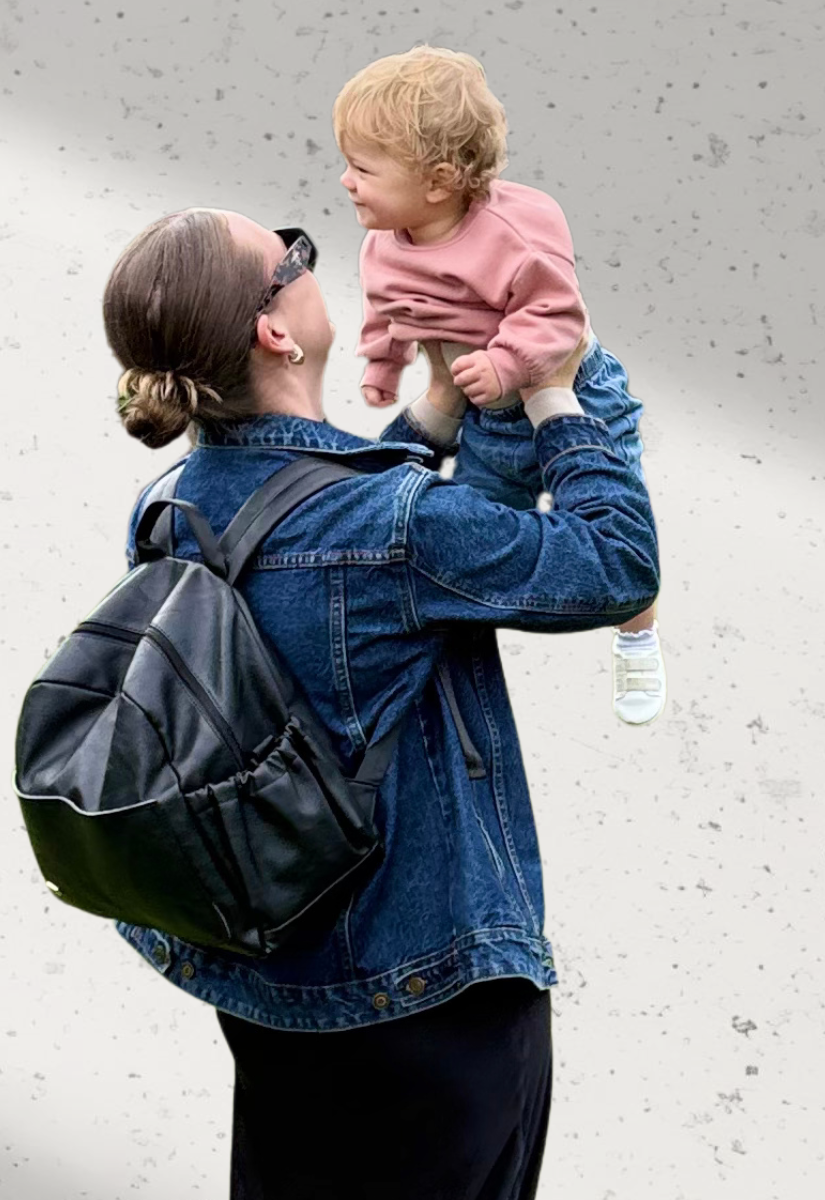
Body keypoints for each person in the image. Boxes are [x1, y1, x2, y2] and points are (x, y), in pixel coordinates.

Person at [98, 207, 658, 1197]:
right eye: (291, 257)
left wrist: (434, 411)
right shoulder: (392, 528)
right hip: (427, 999)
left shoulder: (168, 506)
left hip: (262, 975)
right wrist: (560, 398)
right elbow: (613, 565)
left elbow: (321, 523)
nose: (311, 262)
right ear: (274, 329)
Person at [333, 45, 669, 724]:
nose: (345, 182)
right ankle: (454, 657)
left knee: (611, 520)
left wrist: (508, 364)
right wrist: (382, 364)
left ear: (439, 180)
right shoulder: (383, 242)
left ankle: (637, 632)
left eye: (363, 169)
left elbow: (557, 314)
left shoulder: (517, 230)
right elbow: (386, 308)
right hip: (485, 416)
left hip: (572, 390)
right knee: (474, 529)